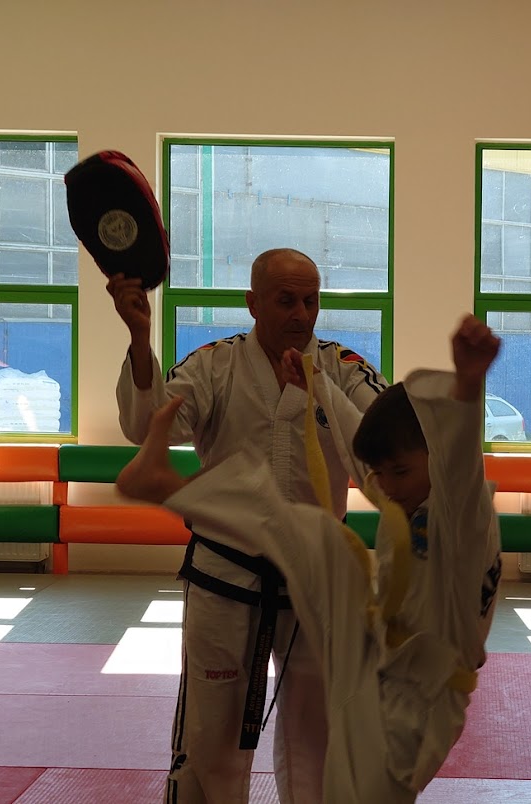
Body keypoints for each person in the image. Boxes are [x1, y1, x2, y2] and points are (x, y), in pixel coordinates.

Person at [116, 313, 503, 804]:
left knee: (355, 793)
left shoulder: (462, 512)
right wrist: (318, 386)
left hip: (423, 698)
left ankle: (170, 488)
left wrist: (469, 384)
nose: (384, 485)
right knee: (321, 538)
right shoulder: (410, 496)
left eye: (398, 472)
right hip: (376, 655)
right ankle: (169, 486)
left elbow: (460, 458)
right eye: (380, 474)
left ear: (437, 454)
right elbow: (358, 437)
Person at [106, 247, 387, 804]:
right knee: (209, 742)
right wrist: (140, 339)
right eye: (286, 301)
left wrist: (321, 391)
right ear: (253, 303)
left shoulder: (343, 367)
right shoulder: (215, 364)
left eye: (310, 301)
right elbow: (145, 425)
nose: (301, 314)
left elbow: (382, 445)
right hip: (225, 577)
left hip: (315, 583)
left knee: (318, 744)